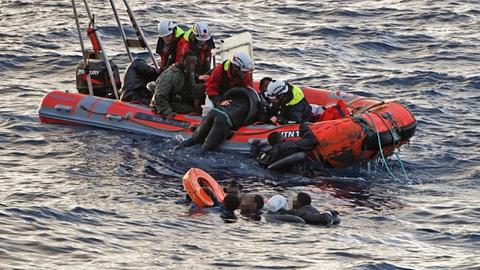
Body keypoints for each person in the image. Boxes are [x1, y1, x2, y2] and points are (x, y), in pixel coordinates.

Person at [250, 123, 319, 177]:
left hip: (282, 176)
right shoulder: (291, 144)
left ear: (271, 144)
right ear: (282, 138)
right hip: (302, 174)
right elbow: (312, 141)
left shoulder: (269, 154)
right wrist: (304, 127)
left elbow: (254, 161)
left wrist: (254, 147)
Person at [150, 51, 203, 118]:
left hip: (178, 100)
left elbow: (192, 89)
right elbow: (160, 95)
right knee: (193, 111)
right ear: (183, 61)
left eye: (194, 63)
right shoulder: (171, 75)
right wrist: (168, 112)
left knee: (197, 109)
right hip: (167, 102)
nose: (192, 66)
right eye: (189, 63)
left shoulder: (189, 73)